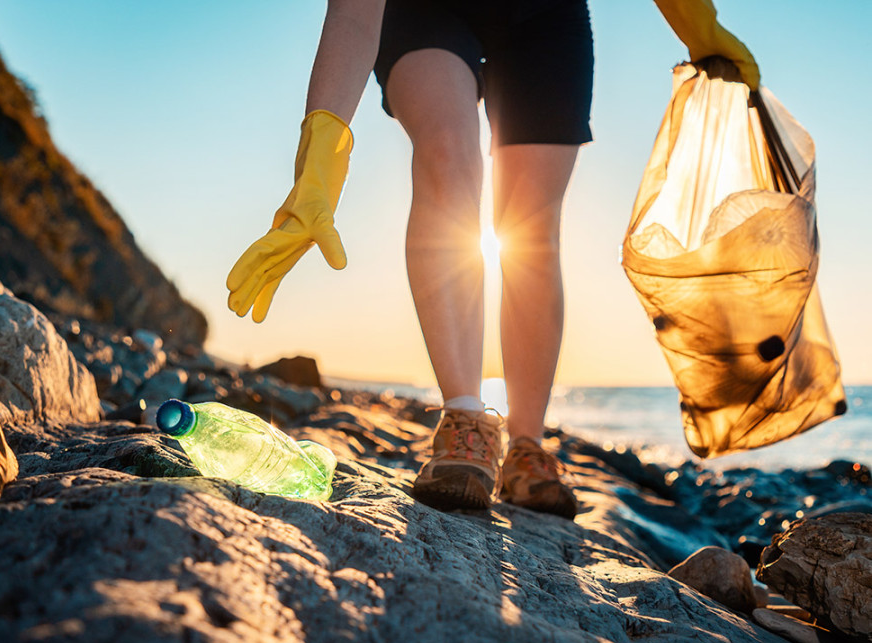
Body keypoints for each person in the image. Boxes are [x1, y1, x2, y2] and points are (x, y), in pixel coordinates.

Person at [226, 0, 759, 518]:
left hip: (545, 14)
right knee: (447, 156)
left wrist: (700, 27)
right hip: (425, 9)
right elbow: (353, 11)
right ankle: (464, 415)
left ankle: (527, 441)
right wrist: (318, 165)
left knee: (531, 227)